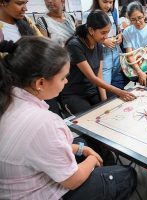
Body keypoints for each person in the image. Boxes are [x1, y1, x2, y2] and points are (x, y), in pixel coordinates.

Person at [0, 36, 136, 199]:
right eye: (63, 77)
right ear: (40, 83)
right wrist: (92, 159)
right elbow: (72, 181)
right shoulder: (44, 122)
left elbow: (41, 148)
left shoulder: (8, 99)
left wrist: (80, 149)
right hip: (40, 193)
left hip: (20, 184)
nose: (66, 82)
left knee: (82, 143)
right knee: (127, 175)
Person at [60, 10, 135, 115]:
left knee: (114, 105)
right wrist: (119, 91)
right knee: (89, 118)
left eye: (108, 32)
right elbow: (92, 77)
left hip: (91, 90)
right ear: (91, 30)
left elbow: (99, 76)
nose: (106, 36)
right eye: (103, 33)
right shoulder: (75, 45)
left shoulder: (98, 44)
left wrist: (104, 100)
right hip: (74, 94)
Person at [89, 0, 127, 91]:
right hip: (102, 54)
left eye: (111, 2)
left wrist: (120, 36)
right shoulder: (91, 15)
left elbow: (118, 29)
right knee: (105, 84)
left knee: (118, 81)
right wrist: (104, 41)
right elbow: (88, 38)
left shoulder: (114, 12)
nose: (108, 5)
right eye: (105, 2)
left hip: (116, 51)